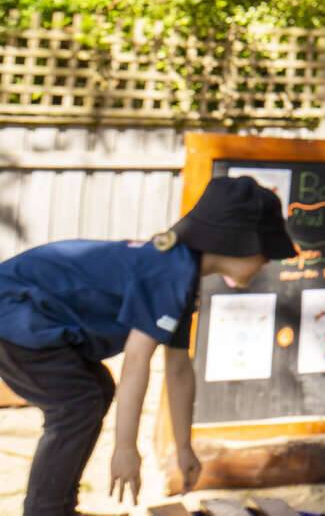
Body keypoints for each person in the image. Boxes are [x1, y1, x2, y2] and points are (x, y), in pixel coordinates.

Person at [0, 175, 297, 516]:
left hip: (26, 313)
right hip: (15, 312)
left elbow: (178, 367)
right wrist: (126, 449)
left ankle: (57, 506)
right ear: (239, 242)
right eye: (266, 252)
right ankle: (46, 510)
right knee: (77, 403)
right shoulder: (168, 274)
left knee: (94, 389)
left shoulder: (180, 272)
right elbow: (137, 361)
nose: (267, 263)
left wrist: (183, 448)